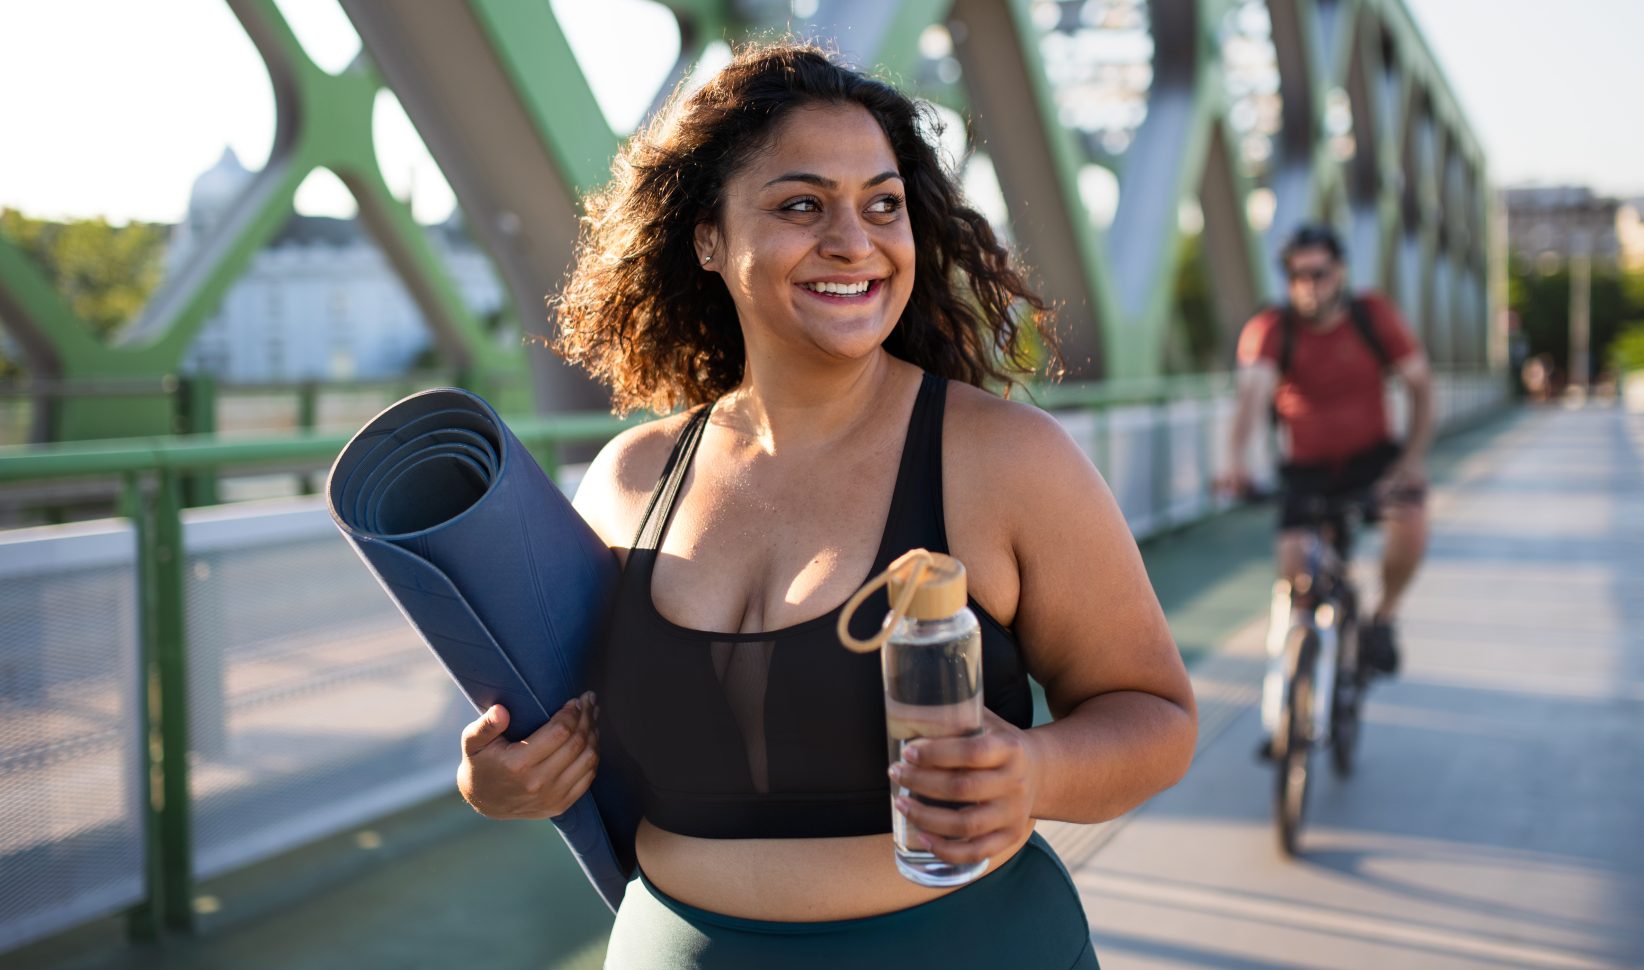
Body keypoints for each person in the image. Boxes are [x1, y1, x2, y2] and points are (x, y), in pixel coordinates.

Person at [455, 42, 1196, 968]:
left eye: (882, 205)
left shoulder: (1006, 461)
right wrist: (504, 780)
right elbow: (567, 732)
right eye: (802, 204)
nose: (855, 240)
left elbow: (1156, 716)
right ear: (708, 238)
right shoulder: (630, 480)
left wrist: (1037, 768)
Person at [1220, 223, 1433, 756]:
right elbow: (1251, 401)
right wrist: (1234, 464)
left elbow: (1422, 388)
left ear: (1340, 272)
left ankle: (1382, 619)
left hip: (1374, 459)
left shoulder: (1372, 316)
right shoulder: (1273, 328)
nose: (1308, 285)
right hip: (1308, 469)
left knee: (1410, 528)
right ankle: (1284, 713)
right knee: (1295, 574)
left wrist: (1408, 464)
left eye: (1319, 273)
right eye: (1296, 275)